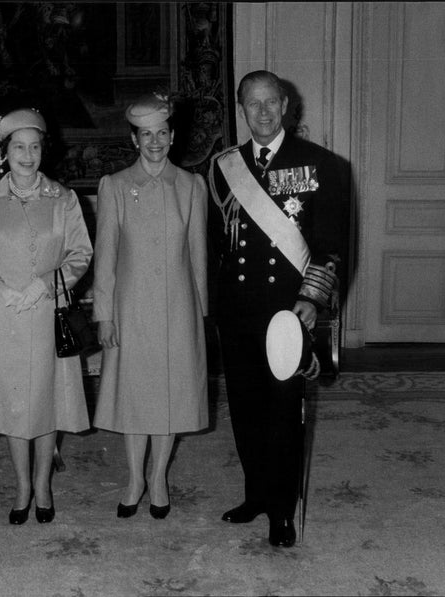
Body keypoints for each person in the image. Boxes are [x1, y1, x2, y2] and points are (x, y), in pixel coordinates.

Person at [208, 70, 344, 547]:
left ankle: (281, 512)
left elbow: (330, 248)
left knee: (283, 411)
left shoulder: (323, 165)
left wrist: (311, 299)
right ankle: (257, 495)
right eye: (252, 104)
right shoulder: (223, 167)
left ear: (285, 103)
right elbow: (214, 247)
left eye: (271, 102)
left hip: (288, 310)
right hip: (237, 309)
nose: (262, 112)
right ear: (241, 109)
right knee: (244, 407)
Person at [0, 108, 93, 525]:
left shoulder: (63, 199)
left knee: (45, 401)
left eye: (35, 146)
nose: (28, 155)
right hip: (4, 315)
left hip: (47, 313)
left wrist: (47, 284)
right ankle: (21, 487)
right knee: (16, 406)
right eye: (19, 146)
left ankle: (43, 487)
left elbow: (80, 253)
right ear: (5, 152)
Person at [92, 92, 209, 520]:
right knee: (135, 395)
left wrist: (201, 312)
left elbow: (197, 255)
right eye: (146, 135)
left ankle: (158, 476)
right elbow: (105, 257)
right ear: (134, 139)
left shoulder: (192, 186)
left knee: (172, 394)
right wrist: (103, 314)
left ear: (173, 136)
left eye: (162, 133)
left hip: (179, 307)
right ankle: (134, 477)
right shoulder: (116, 186)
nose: (155, 141)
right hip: (131, 309)